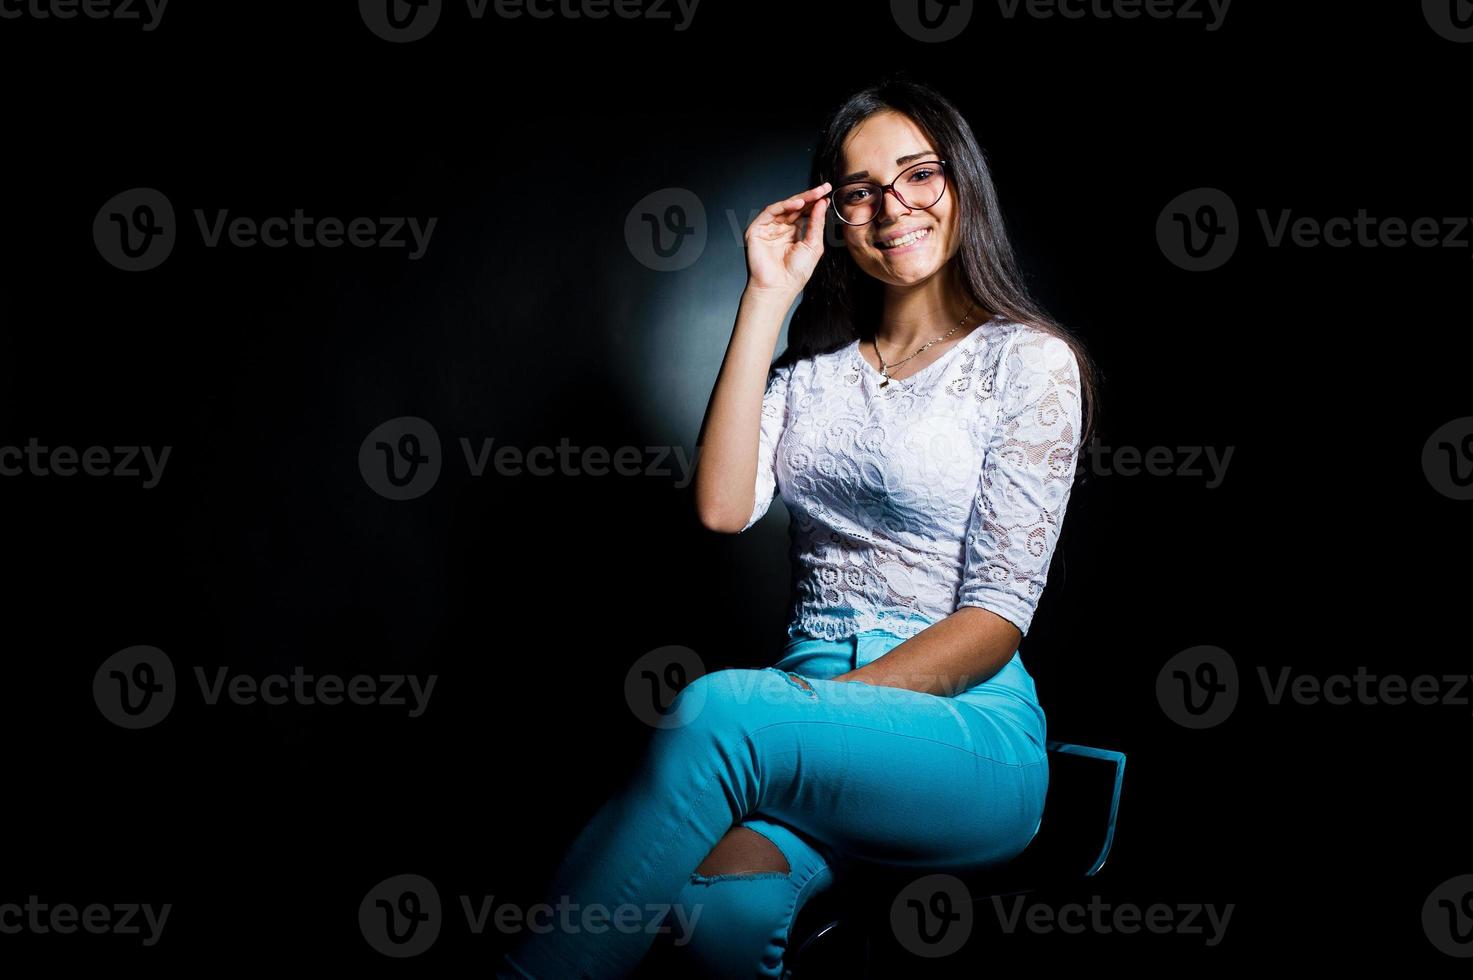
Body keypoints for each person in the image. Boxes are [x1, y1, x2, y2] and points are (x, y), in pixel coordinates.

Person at [496, 72, 1099, 979]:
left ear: (961, 183)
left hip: (960, 734)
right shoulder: (809, 378)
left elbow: (996, 620)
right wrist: (768, 296)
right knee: (719, 916)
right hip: (805, 724)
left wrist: (821, 719)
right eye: (859, 191)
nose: (892, 206)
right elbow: (721, 505)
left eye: (918, 175)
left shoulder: (1026, 364)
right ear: (836, 218)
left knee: (716, 710)